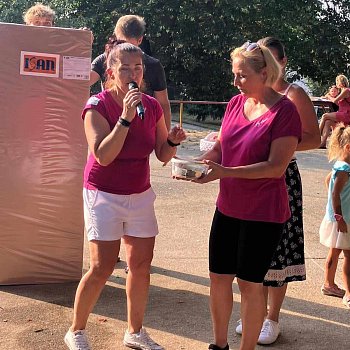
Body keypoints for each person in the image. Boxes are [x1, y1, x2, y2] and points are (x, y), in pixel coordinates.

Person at [64, 42, 186, 350]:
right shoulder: (97, 105)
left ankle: (134, 331)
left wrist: (172, 141)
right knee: (102, 266)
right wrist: (126, 118)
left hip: (139, 193)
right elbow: (103, 155)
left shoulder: (152, 106)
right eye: (125, 69)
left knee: (141, 265)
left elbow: (161, 155)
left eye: (138, 68)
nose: (133, 74)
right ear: (111, 72)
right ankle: (76, 330)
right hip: (102, 193)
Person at [194, 41, 302, 350]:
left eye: (241, 75)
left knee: (250, 284)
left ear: (264, 72)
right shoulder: (234, 104)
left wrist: (225, 172)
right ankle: (219, 344)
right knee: (218, 277)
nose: (235, 82)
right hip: (228, 206)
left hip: (264, 213)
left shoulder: (285, 111)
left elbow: (275, 167)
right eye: (234, 74)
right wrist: (202, 163)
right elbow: (222, 147)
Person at [234, 36, 321, 345]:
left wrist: (280, 144)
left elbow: (313, 138)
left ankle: (272, 317)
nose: (264, 66)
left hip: (282, 175)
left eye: (269, 60)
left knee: (278, 248)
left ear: (282, 63)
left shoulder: (293, 94)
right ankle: (253, 312)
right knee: (251, 248)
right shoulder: (249, 95)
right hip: (248, 177)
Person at [90, 15, 172, 131]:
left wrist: (165, 140)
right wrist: (81, 46)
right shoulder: (104, 60)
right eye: (124, 68)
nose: (125, 52)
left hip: (142, 127)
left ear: (140, 40)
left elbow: (163, 103)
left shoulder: (153, 65)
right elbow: (81, 81)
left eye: (137, 68)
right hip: (110, 126)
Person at [319, 123, 350, 308]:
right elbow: (334, 192)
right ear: (348, 147)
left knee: (334, 251)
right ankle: (348, 292)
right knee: (348, 255)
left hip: (338, 218)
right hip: (343, 220)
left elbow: (328, 180)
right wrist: (339, 216)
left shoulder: (340, 166)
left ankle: (329, 284)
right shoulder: (345, 169)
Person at [319, 74, 350, 148]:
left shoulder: (346, 90)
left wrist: (328, 96)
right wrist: (328, 97)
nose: (336, 84)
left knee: (325, 116)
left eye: (337, 82)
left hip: (346, 115)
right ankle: (323, 143)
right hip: (342, 113)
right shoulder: (343, 91)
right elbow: (338, 103)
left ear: (340, 82)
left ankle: (316, 134)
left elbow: (335, 100)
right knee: (327, 122)